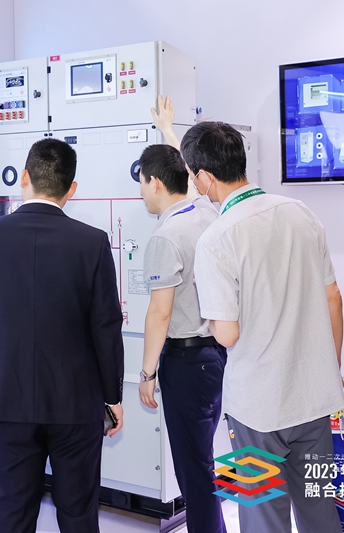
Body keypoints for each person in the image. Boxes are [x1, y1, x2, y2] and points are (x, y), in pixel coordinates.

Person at [0, 138, 125, 533]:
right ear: (71, 188)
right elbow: (106, 325)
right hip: (76, 399)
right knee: (78, 510)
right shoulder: (92, 241)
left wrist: (4, 332)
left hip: (7, 397)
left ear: (24, 178)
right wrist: (112, 396)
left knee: (13, 508)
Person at [181, 121, 344, 533]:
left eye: (192, 175)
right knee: (320, 513)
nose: (193, 183)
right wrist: (331, 371)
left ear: (205, 177)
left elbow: (227, 335)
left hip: (257, 407)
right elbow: (333, 298)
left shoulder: (217, 238)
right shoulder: (300, 212)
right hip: (314, 398)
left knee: (263, 520)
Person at [136, 143, 227, 533]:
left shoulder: (167, 236)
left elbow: (160, 313)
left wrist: (146, 374)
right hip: (216, 356)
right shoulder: (207, 213)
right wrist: (170, 133)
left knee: (194, 472)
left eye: (142, 182)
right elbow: (189, 176)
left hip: (185, 363)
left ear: (156, 183)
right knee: (203, 462)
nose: (141, 191)